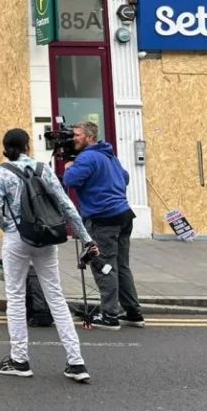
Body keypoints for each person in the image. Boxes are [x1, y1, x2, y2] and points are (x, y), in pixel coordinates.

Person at [0, 128, 97, 382]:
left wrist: (9, 227)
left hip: (17, 238)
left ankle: (20, 360)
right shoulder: (42, 169)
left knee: (15, 296)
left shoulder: (1, 171)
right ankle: (76, 362)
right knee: (56, 297)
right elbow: (66, 205)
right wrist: (87, 239)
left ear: (6, 147)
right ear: (27, 146)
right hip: (46, 236)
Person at [63, 120, 144, 330]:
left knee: (103, 265)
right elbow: (125, 178)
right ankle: (133, 312)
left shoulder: (88, 157)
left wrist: (69, 167)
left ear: (90, 137)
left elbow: (70, 180)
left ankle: (109, 315)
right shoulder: (109, 155)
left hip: (104, 219)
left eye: (77, 135)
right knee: (121, 266)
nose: (73, 139)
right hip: (123, 215)